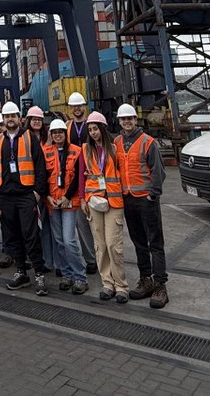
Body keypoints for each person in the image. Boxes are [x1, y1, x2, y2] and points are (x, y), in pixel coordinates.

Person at [0, 101, 49, 296]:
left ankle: (39, 274)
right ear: (4, 119)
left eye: (13, 116)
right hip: (5, 196)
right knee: (12, 236)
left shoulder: (30, 138)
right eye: (7, 117)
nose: (10, 119)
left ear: (19, 118)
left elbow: (40, 167)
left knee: (31, 235)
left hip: (25, 195)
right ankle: (21, 271)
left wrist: (37, 192)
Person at [115, 103, 168, 309]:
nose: (127, 122)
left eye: (130, 119)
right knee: (139, 243)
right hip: (128, 199)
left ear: (136, 120)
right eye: (123, 119)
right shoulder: (117, 142)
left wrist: (152, 195)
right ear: (119, 121)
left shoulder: (148, 142)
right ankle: (146, 279)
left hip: (146, 200)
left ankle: (160, 285)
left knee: (155, 242)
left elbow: (158, 171)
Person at [82, 112, 127, 303]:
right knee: (100, 245)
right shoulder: (86, 150)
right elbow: (81, 177)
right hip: (95, 202)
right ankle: (107, 284)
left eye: (95, 128)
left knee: (113, 245)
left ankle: (121, 286)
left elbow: (123, 174)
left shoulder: (116, 148)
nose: (93, 133)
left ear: (103, 128)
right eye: (90, 129)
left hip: (114, 202)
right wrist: (84, 199)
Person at [44, 119, 87, 294]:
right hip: (53, 202)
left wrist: (66, 197)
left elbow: (78, 178)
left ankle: (80, 277)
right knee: (59, 241)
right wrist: (48, 197)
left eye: (60, 132)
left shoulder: (77, 152)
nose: (58, 135)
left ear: (65, 133)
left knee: (69, 241)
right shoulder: (45, 152)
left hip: (69, 202)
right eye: (55, 133)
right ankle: (67, 274)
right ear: (51, 135)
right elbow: (42, 175)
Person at [65, 92, 98, 274]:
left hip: (94, 179)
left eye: (80, 105)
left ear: (85, 106)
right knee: (82, 224)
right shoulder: (67, 127)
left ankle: (101, 258)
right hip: (75, 182)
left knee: (98, 223)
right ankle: (91, 260)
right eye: (74, 106)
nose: (77, 109)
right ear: (70, 109)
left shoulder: (93, 125)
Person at [25, 105, 53, 272]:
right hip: (30, 188)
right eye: (34, 119)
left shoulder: (48, 137)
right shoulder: (24, 138)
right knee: (31, 227)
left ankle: (48, 261)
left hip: (46, 188)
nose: (36, 122)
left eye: (39, 120)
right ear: (28, 121)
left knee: (46, 227)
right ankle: (35, 258)